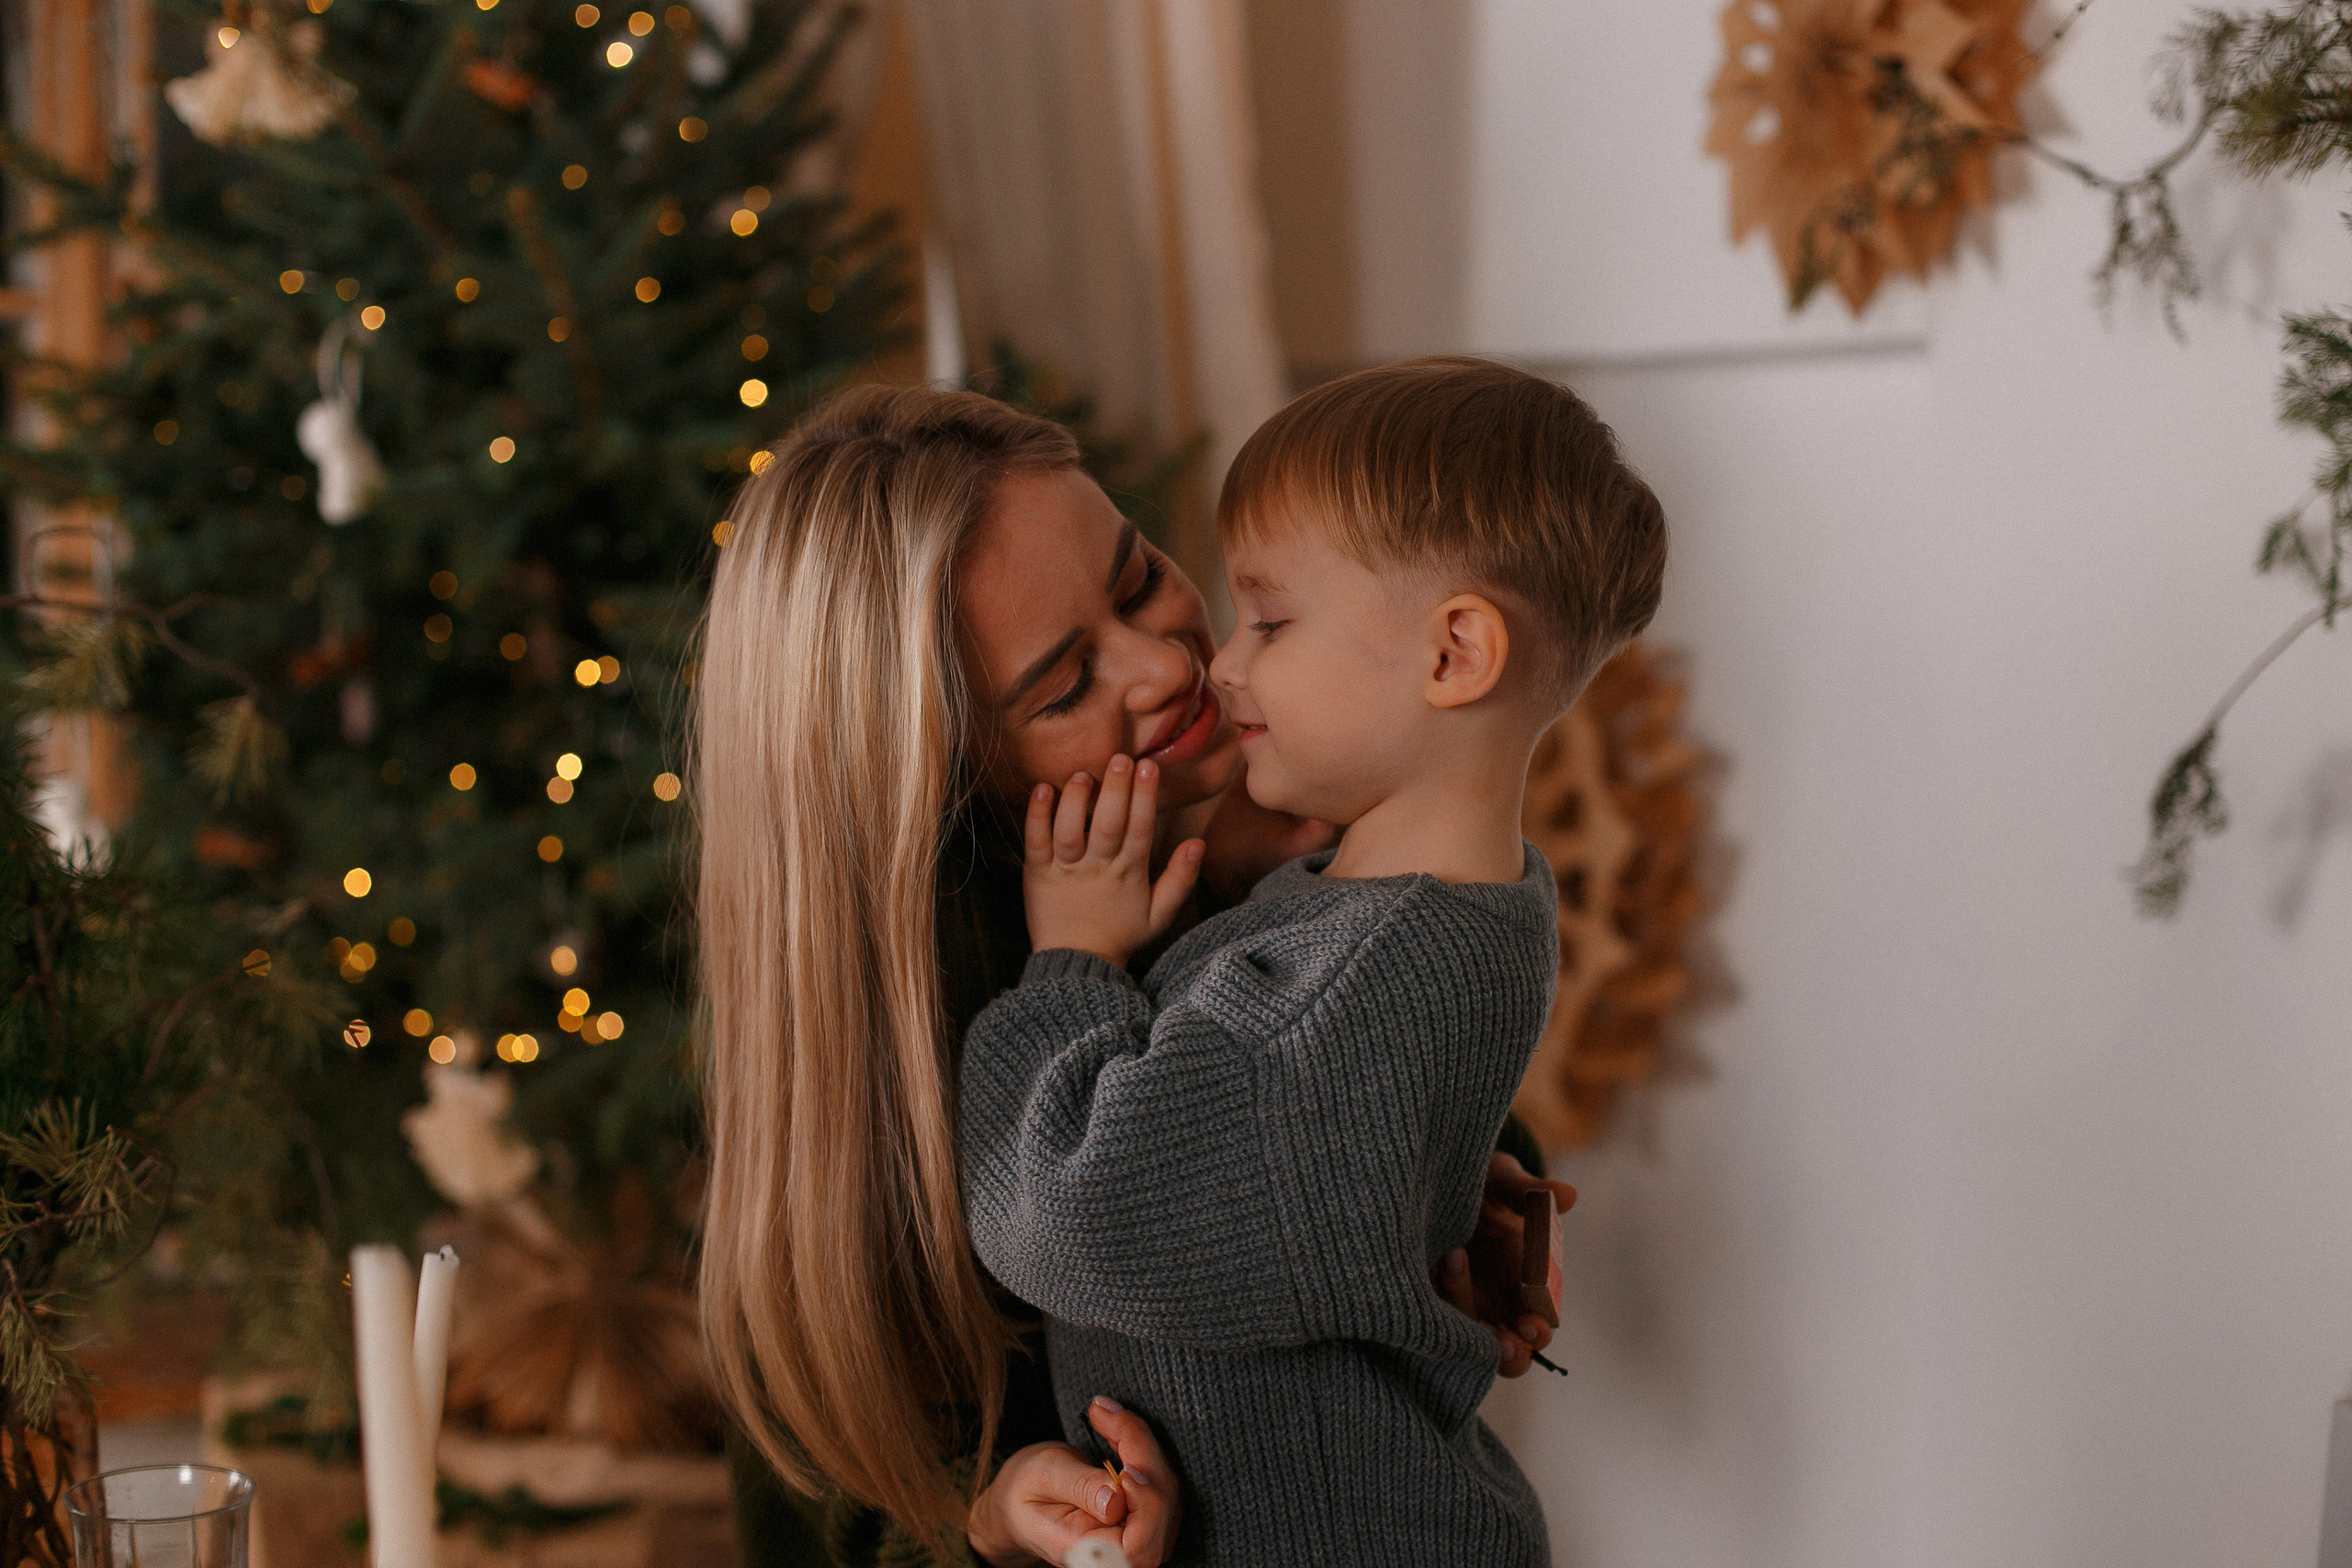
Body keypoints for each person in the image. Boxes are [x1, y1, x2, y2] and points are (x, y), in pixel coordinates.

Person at [695, 384, 1572, 1568]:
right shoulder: (909, 1022)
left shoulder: (1305, 808)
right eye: (1064, 688)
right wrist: (987, 1519)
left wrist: (1451, 1185)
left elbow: (1345, 1076)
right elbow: (832, 1501)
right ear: (932, 776)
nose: (1168, 664)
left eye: (1141, 578)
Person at [956, 357, 1667, 1565]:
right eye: (1067, 681)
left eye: (1272, 623)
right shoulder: (1415, 912)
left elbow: (1063, 1216)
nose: (1213, 666)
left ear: (1455, 653)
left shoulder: (1360, 967)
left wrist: (1071, 957)